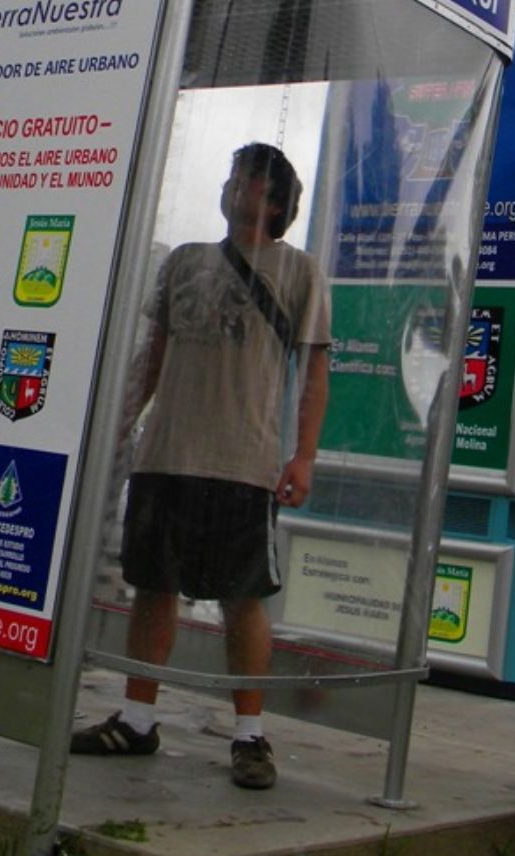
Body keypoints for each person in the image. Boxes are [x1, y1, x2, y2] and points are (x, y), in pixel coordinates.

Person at [72, 144, 331, 790]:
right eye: (232, 173)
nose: (232, 185)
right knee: (152, 586)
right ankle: (136, 719)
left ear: (274, 200)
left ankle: (249, 734)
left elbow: (316, 372)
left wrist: (303, 455)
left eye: (245, 178)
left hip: (242, 461)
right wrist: (123, 423)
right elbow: (151, 353)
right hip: (165, 456)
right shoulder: (185, 261)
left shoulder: (299, 272)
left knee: (243, 598)